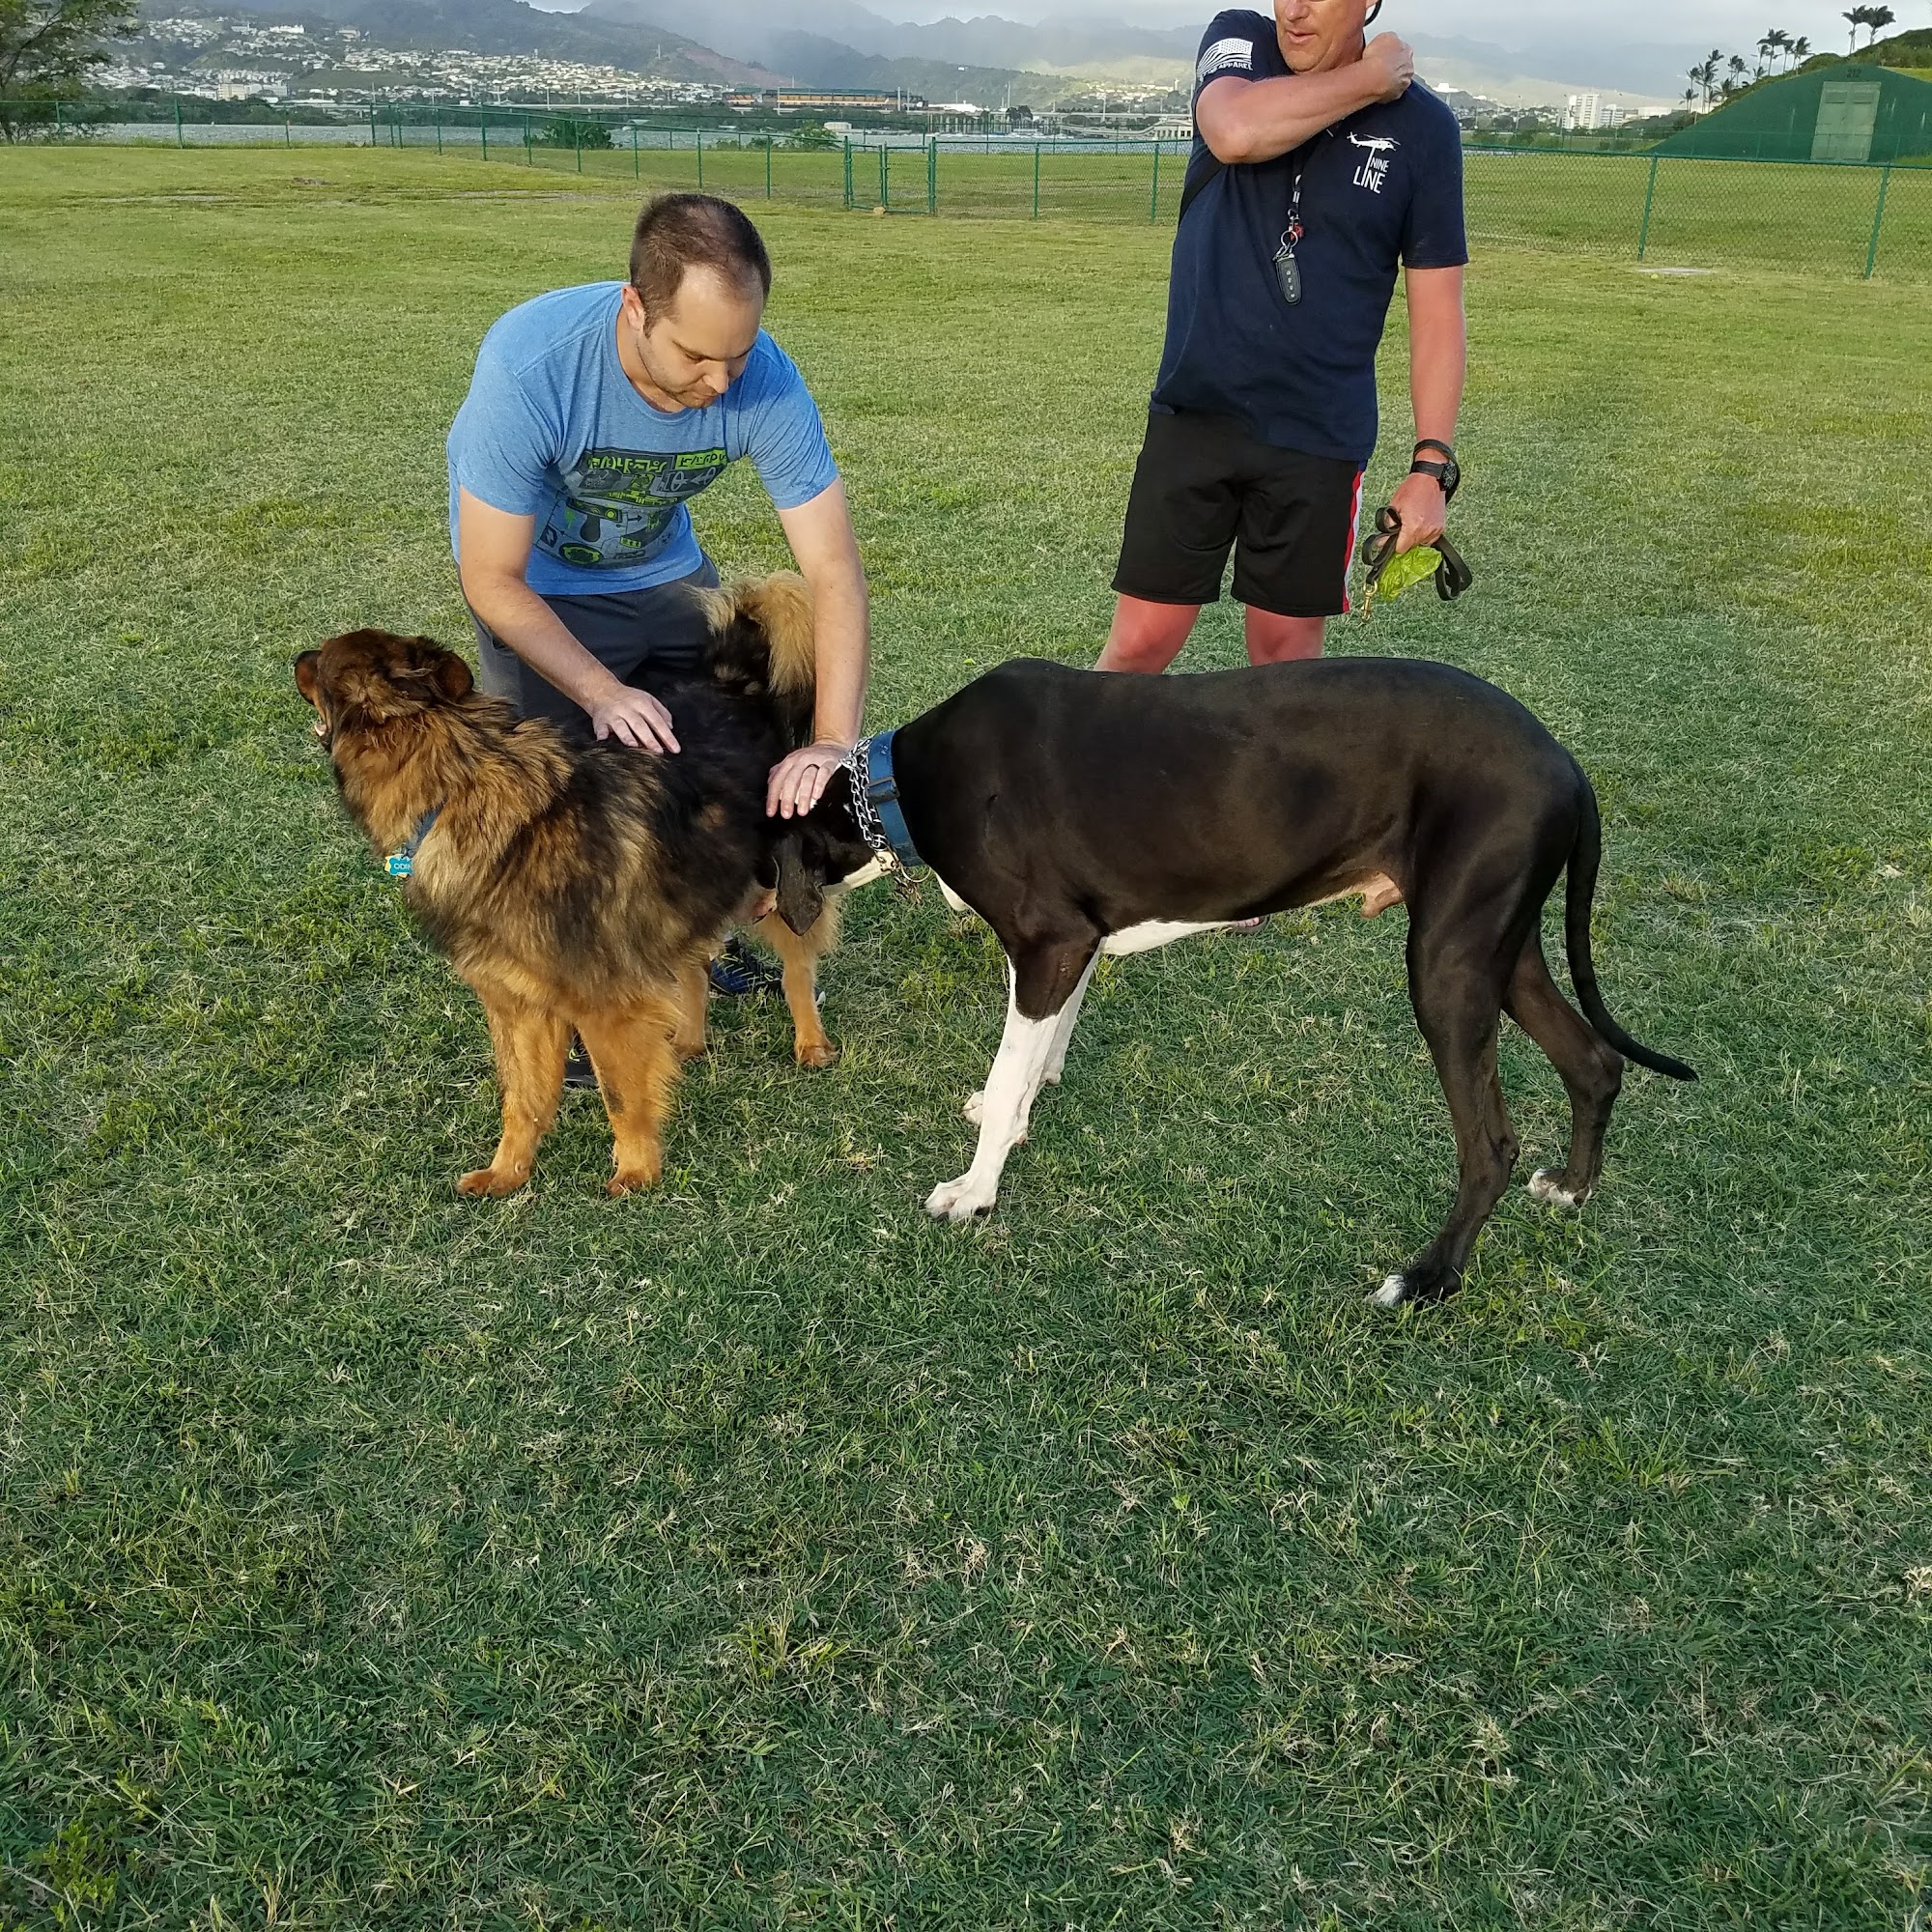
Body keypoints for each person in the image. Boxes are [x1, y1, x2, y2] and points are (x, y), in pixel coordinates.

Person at [447, 192, 868, 1012]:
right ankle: (577, 1015)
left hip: (667, 574)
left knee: (706, 770)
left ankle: (689, 943)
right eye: (696, 356)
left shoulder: (762, 378)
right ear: (636, 308)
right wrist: (600, 690)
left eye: (737, 356)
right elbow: (491, 577)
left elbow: (834, 570)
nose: (719, 382)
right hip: (542, 594)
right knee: (560, 824)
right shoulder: (531, 368)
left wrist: (832, 742)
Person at [1100, 0, 1467, 673]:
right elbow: (1234, 131)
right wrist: (1372, 78)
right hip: (1196, 412)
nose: (1294, 10)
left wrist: (1430, 468)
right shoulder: (1240, 41)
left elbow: (1438, 311)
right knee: (1139, 646)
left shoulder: (1425, 129)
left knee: (1286, 665)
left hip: (1319, 436)